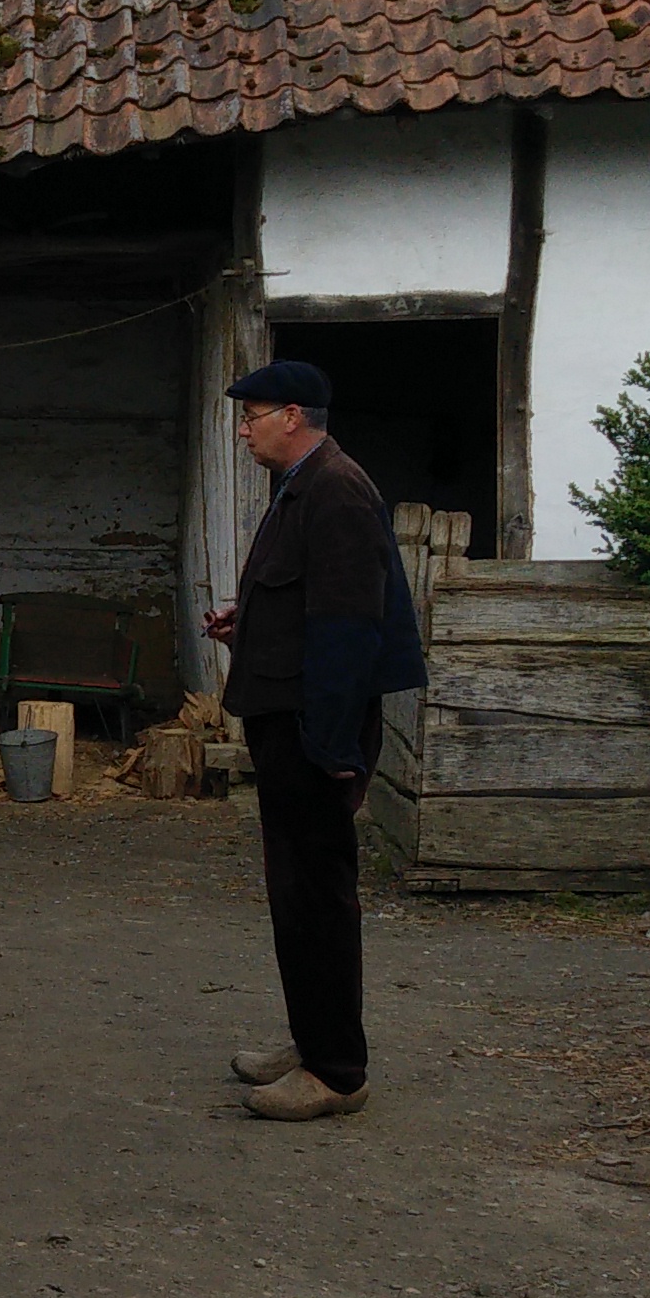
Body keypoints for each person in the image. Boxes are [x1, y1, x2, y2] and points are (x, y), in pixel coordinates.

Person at [204, 356, 425, 1123]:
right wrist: (252, 621)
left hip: (311, 729)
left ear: (293, 416)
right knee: (295, 895)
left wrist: (334, 751)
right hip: (293, 717)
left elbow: (348, 631)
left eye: (253, 415)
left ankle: (337, 1070)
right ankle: (314, 1038)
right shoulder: (304, 487)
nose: (243, 429)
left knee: (316, 897)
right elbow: (310, 606)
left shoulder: (334, 491)